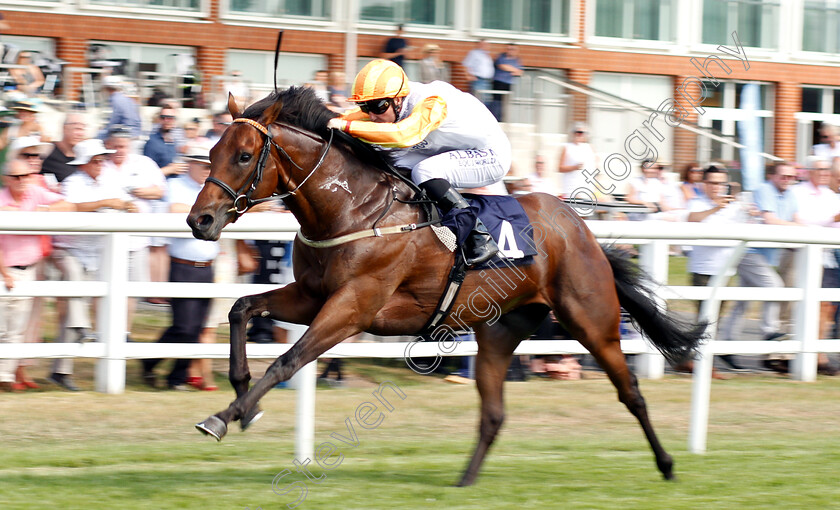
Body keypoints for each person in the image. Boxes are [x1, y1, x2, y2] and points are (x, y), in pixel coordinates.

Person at [327, 59, 511, 266]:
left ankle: (478, 237)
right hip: (446, 149)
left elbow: (404, 134)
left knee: (425, 171)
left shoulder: (432, 101)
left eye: (377, 107)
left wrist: (345, 125)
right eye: (365, 106)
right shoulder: (388, 102)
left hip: (489, 155)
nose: (371, 115)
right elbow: (341, 118)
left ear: (398, 100)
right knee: (385, 159)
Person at [51, 138, 138, 391]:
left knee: (73, 309)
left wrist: (129, 206)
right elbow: (72, 208)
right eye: (96, 160)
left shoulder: (109, 179)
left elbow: (123, 200)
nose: (101, 163)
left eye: (102, 159)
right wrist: (106, 203)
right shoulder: (72, 182)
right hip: (68, 249)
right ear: (85, 163)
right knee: (76, 288)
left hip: (94, 252)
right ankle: (83, 328)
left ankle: (61, 369)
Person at [143, 143, 219, 390]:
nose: (208, 170)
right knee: (185, 326)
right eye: (204, 165)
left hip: (206, 265)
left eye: (210, 166)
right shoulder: (176, 186)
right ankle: (158, 367)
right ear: (192, 164)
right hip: (183, 265)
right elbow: (175, 209)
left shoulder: (212, 189)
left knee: (194, 327)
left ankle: (170, 373)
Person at [0, 160, 72, 392]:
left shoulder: (35, 193)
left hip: (28, 269)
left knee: (16, 328)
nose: (21, 181)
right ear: (6, 179)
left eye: (25, 176)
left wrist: (41, 210)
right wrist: (4, 274)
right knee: (3, 328)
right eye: (16, 177)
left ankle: (5, 377)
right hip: (7, 271)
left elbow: (68, 206)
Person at [103, 125, 167, 332]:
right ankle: (105, 330)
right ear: (108, 145)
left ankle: (125, 332)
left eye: (123, 146)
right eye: (115, 147)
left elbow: (160, 190)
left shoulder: (144, 163)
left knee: (130, 290)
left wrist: (139, 192)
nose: (119, 151)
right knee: (106, 288)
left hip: (137, 240)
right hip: (106, 240)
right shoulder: (101, 165)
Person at [791, 157, 840, 375]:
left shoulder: (830, 195)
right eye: (820, 169)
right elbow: (801, 220)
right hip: (805, 255)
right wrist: (832, 218)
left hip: (828, 255)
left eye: (827, 169)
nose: (824, 173)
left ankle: (820, 352)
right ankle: (815, 356)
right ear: (809, 171)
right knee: (818, 306)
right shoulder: (798, 193)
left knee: (829, 307)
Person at [41, 113, 88, 186]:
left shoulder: (86, 157)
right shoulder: (48, 151)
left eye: (82, 129)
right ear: (64, 128)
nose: (80, 133)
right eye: (76, 128)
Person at [143, 106, 186, 178]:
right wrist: (169, 170)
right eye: (163, 117)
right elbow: (147, 174)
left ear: (174, 120)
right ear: (159, 119)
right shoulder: (152, 142)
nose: (166, 120)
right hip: (160, 186)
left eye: (170, 118)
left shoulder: (175, 141)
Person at [557, 122, 597, 198]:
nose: (579, 135)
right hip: (571, 189)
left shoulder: (590, 148)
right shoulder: (567, 147)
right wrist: (574, 167)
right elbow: (560, 168)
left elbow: (595, 167)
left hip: (587, 189)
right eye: (577, 132)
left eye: (581, 133)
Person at [100, 75, 142, 139]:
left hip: (124, 135)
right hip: (136, 133)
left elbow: (113, 121)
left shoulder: (114, 100)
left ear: (106, 88)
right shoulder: (128, 100)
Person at [489, 44, 523, 121]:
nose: (510, 51)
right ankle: (495, 119)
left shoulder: (517, 60)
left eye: (513, 49)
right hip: (499, 82)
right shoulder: (501, 56)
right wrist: (514, 69)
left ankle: (502, 119)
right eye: (509, 49)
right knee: (497, 102)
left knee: (505, 103)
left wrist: (512, 69)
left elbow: (520, 72)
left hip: (509, 83)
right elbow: (502, 66)